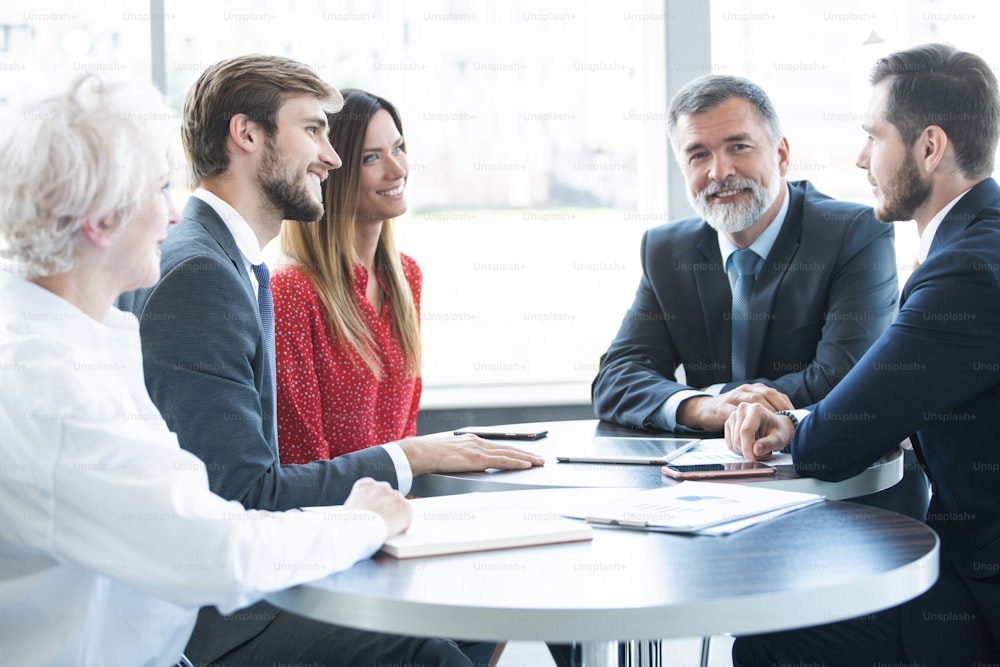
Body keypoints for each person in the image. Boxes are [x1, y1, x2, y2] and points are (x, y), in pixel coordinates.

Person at [117, 55, 541, 667]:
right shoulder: (202, 273)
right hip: (222, 617)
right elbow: (242, 492)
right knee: (435, 651)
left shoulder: (221, 258)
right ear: (248, 134)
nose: (332, 156)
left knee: (483, 610)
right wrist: (409, 457)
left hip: (240, 579)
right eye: (313, 130)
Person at [0, 73, 411, 667]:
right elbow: (217, 550)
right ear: (101, 221)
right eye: (159, 188)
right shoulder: (50, 389)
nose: (173, 214)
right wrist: (361, 522)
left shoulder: (75, 339)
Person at [726, 43, 1000, 665]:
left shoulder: (964, 269)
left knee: (770, 645)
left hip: (982, 586)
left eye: (873, 138)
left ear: (930, 147)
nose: (859, 159)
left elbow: (835, 441)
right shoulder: (982, 238)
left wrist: (789, 423)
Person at [592, 74, 899, 437]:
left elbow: (844, 379)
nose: (720, 172)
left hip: (832, 470)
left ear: (781, 155)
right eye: (698, 155)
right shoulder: (666, 250)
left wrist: (723, 399)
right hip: (709, 482)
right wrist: (701, 406)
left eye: (738, 147)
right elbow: (616, 378)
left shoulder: (855, 233)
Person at [273, 89, 421, 463]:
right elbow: (301, 458)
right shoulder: (292, 291)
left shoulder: (406, 276)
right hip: (332, 515)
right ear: (329, 172)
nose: (397, 169)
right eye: (372, 157)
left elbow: (406, 434)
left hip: (403, 507)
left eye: (398, 148)